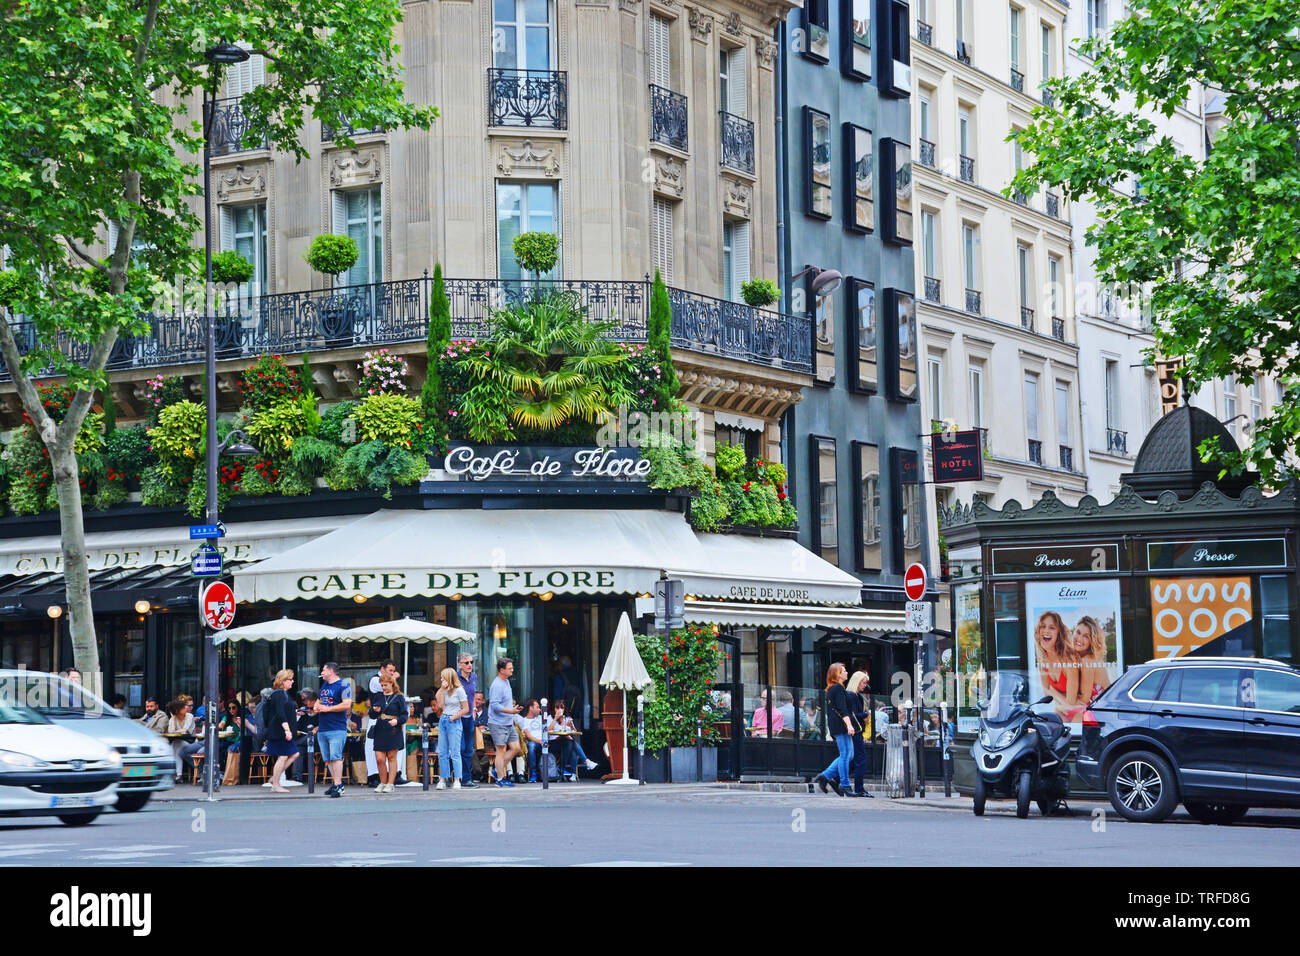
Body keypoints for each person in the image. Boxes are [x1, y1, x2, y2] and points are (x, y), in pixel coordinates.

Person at [812, 664, 854, 796]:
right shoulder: (837, 688)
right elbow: (842, 708)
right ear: (837, 674)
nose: (846, 672)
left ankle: (825, 776)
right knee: (845, 755)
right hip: (841, 724)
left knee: (848, 754)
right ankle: (845, 784)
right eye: (844, 671)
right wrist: (849, 725)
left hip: (838, 724)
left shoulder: (835, 689)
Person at [314, 662, 352, 797]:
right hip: (323, 727)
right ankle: (335, 784)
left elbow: (347, 704)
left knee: (335, 757)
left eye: (323, 670)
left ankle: (339, 785)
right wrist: (316, 706)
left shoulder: (343, 684)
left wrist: (328, 708)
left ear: (331, 671)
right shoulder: (324, 685)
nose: (322, 672)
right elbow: (319, 700)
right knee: (328, 758)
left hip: (336, 727)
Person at [1066, 615, 1111, 721]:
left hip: (1102, 715)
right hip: (1099, 712)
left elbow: (1084, 699)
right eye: (1078, 632)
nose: (1079, 639)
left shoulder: (1087, 661)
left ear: (1092, 641)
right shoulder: (1087, 658)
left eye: (1086, 636)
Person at [1033, 610, 1077, 717]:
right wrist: (1059, 700)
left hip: (1081, 708)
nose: (1046, 631)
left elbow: (1071, 704)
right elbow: (1046, 693)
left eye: (1052, 627)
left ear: (1059, 633)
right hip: (1062, 708)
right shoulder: (1042, 660)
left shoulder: (1069, 658)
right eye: (1042, 627)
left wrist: (1053, 692)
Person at [487, 658, 523, 788]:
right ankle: (500, 779)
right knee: (501, 750)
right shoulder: (497, 685)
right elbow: (495, 705)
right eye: (510, 668)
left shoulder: (506, 681)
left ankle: (497, 770)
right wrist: (511, 711)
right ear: (502, 670)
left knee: (516, 748)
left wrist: (513, 711)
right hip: (498, 723)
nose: (512, 670)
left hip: (508, 721)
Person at [369, 672, 406, 793]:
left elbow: (404, 715)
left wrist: (397, 721)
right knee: (379, 758)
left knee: (391, 757)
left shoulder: (399, 697)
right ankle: (382, 782)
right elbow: (372, 715)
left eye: (385, 685)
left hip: (393, 730)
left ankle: (390, 783)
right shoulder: (378, 697)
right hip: (380, 728)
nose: (383, 687)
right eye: (382, 685)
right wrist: (375, 711)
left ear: (391, 683)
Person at [364, 660, 399, 788]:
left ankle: (391, 778)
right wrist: (393, 679)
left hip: (389, 720)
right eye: (390, 670)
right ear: (382, 669)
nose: (392, 673)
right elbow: (386, 687)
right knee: (374, 749)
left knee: (390, 751)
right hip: (377, 718)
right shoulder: (375, 680)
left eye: (393, 671)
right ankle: (373, 776)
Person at [264, 670, 299, 793]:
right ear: (283, 681)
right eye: (290, 679)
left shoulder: (283, 694)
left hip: (281, 730)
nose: (292, 681)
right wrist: (287, 730)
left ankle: (274, 778)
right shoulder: (279, 694)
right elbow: (280, 713)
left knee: (294, 754)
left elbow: (284, 711)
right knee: (283, 756)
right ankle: (276, 784)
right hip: (279, 731)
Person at [548, 699, 598, 781]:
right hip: (553, 743)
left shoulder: (567, 718)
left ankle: (569, 772)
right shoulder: (550, 718)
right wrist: (556, 718)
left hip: (565, 742)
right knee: (571, 744)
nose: (560, 710)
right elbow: (547, 730)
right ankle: (581, 765)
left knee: (571, 745)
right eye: (558, 708)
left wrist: (571, 727)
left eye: (562, 708)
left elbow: (574, 732)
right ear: (554, 709)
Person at [435, 667, 468, 790]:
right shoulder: (444, 690)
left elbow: (466, 709)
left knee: (455, 752)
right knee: (442, 752)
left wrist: (453, 717)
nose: (441, 679)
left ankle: (457, 779)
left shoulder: (459, 691)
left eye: (443, 677)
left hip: (453, 720)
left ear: (449, 678)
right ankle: (443, 778)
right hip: (443, 719)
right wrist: (442, 688)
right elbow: (439, 703)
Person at [456, 652, 479, 788]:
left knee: (469, 749)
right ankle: (455, 777)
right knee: (459, 747)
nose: (470, 665)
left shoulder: (474, 677)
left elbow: (473, 695)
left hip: (469, 716)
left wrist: (474, 709)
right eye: (466, 663)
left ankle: (466, 779)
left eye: (471, 662)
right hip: (458, 716)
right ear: (460, 665)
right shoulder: (455, 678)